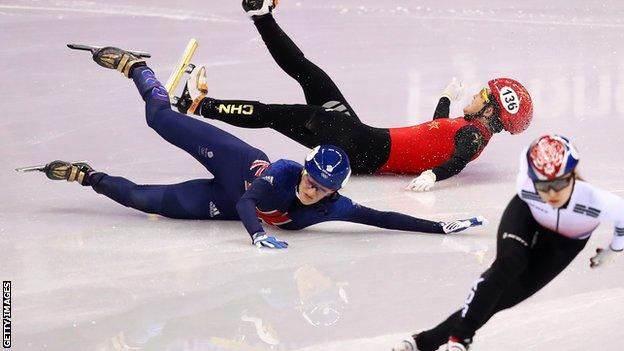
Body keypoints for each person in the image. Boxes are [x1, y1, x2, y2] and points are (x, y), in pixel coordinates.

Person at [35, 46, 487, 249]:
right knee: (160, 118)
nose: (309, 189)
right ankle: (138, 70)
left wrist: (439, 227)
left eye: (319, 188)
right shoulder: (288, 171)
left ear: (335, 192)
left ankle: (85, 175)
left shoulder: (334, 207)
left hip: (221, 201)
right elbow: (250, 201)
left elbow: (384, 219)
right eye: (311, 180)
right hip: (235, 164)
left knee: (142, 200)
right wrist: (257, 234)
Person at [173, 0, 534, 192]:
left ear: (490, 110)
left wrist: (433, 177)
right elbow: (439, 129)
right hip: (360, 136)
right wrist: (444, 97)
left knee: (277, 113)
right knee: (308, 71)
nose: (474, 93)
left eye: (482, 93)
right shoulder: (467, 129)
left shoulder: (473, 137)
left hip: (357, 148)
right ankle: (260, 13)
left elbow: (455, 162)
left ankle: (196, 104)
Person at [392, 134, 624, 351]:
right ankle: (460, 339)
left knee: (504, 298)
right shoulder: (527, 183)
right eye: (543, 186)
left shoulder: (596, 202)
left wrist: (614, 250)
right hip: (528, 214)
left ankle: (425, 342)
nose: (552, 193)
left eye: (560, 184)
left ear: (573, 175)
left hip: (565, 242)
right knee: (508, 264)